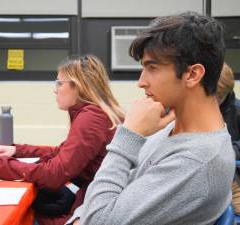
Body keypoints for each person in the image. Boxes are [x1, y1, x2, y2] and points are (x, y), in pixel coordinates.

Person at [66, 12, 235, 225]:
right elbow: (113, 189)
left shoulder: (197, 161)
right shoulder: (172, 128)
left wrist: (128, 135)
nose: (141, 82)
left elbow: (98, 220)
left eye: (152, 68)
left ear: (192, 75)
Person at [0, 54, 125, 225]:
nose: (55, 89)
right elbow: (62, 152)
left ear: (79, 86)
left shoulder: (91, 118)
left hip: (90, 210)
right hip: (91, 202)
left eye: (59, 83)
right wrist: (17, 150)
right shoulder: (96, 113)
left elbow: (54, 175)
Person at [217, 62, 240, 215]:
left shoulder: (237, 111)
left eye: (219, 96)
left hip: (233, 175)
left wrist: (228, 150)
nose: (214, 101)